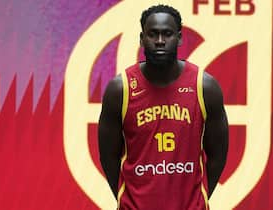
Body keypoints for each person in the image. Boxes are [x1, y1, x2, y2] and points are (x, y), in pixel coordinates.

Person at [98, 4, 228, 210]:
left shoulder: (204, 87)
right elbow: (108, 156)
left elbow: (218, 154)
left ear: (179, 37)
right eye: (153, 34)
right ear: (142, 39)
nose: (160, 41)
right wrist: (126, 198)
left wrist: (200, 197)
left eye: (167, 34)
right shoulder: (120, 89)